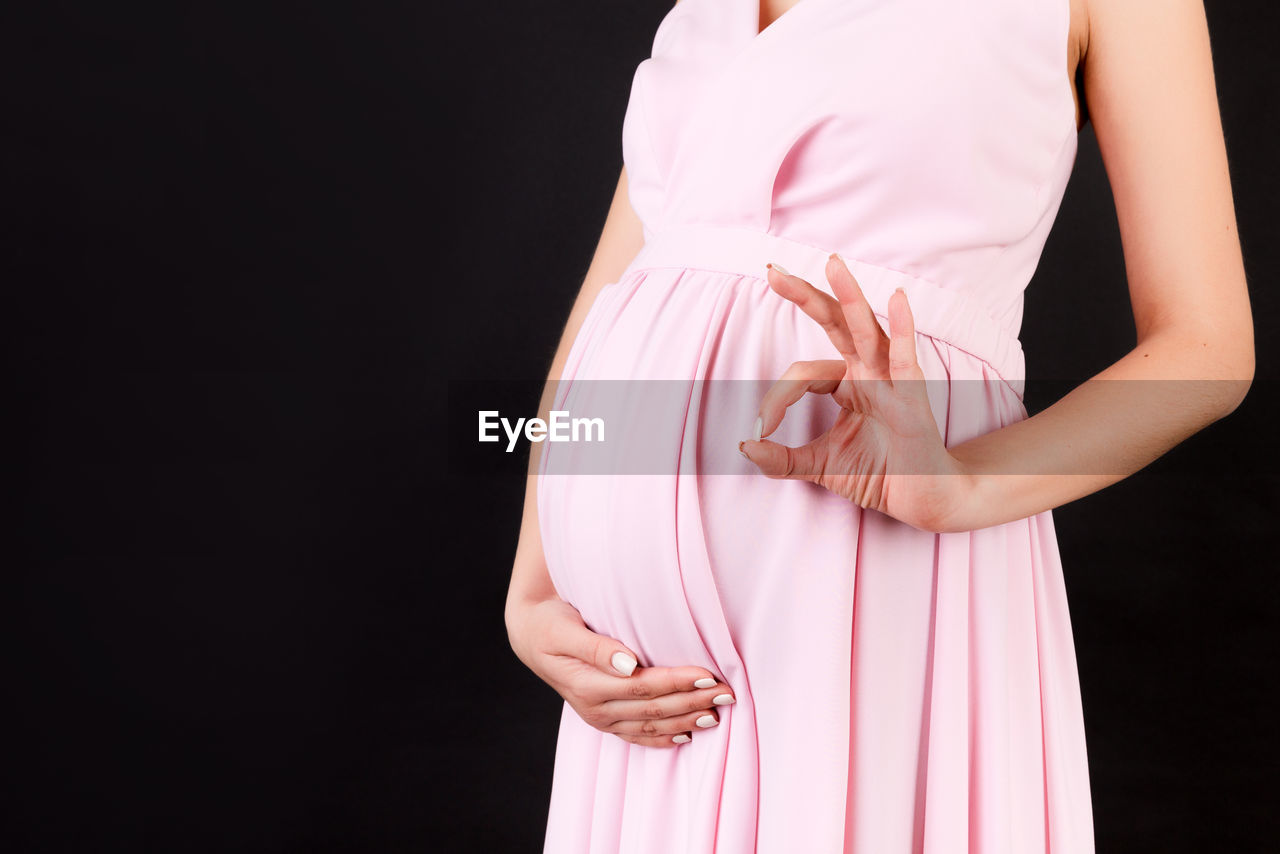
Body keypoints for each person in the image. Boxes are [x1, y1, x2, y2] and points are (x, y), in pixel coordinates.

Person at [505, 0, 1253, 850]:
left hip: (876, 587)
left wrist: (962, 487)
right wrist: (535, 580)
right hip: (635, 690)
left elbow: (1210, 346)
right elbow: (624, 289)